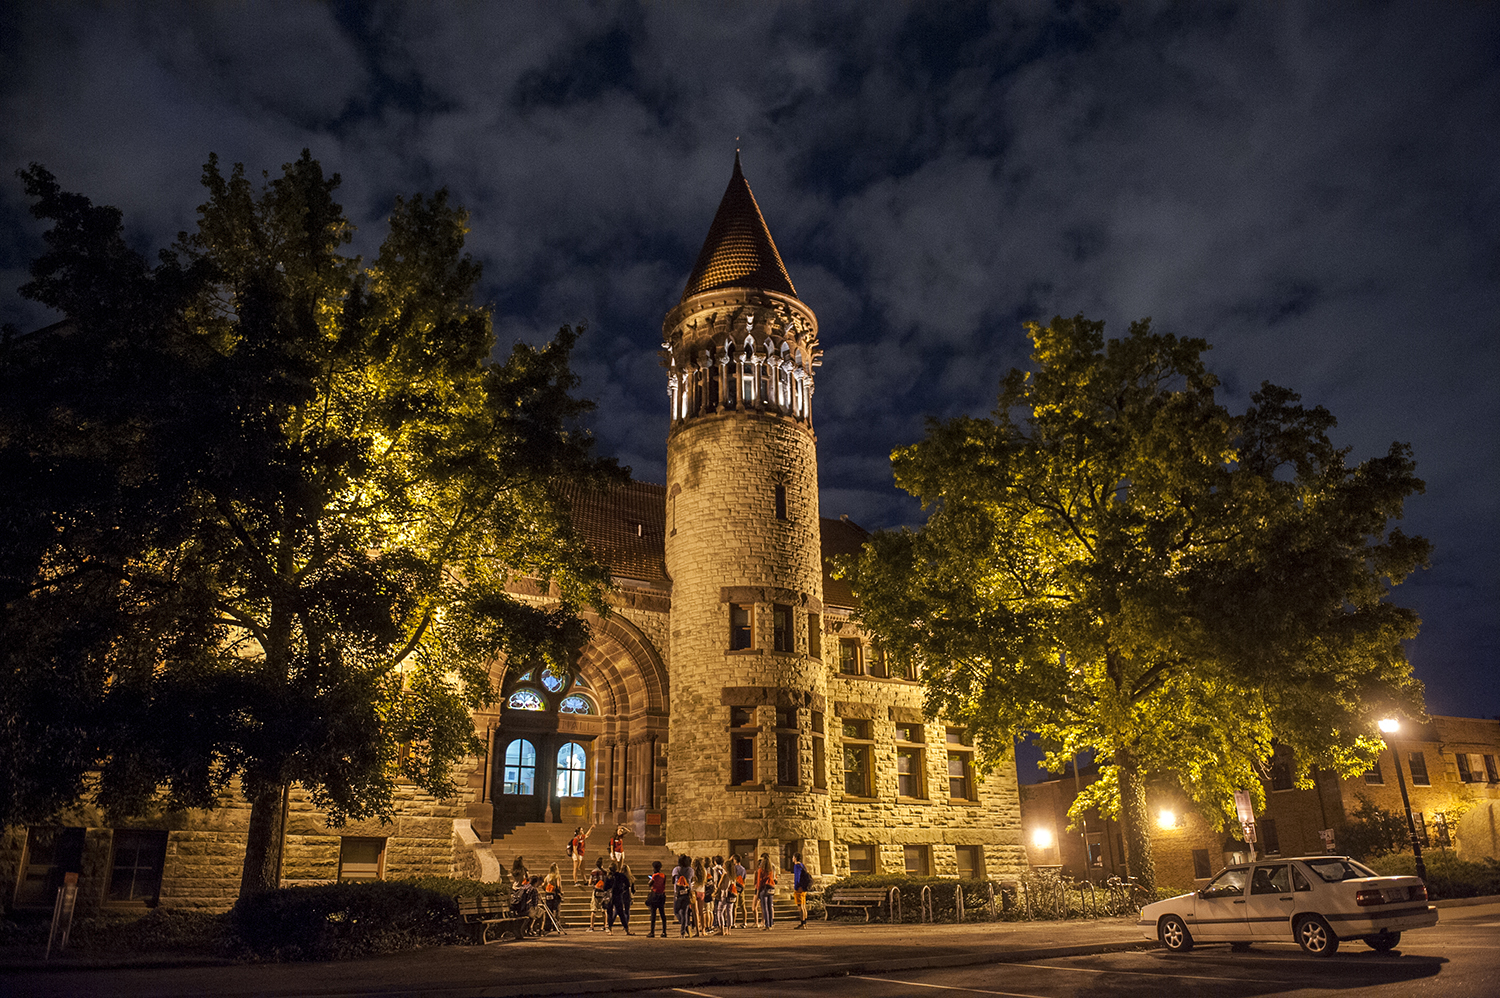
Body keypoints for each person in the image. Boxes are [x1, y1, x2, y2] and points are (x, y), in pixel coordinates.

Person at [607, 861, 634, 934]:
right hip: (618, 895)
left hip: (610, 896)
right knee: (621, 913)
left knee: (610, 913)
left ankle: (610, 929)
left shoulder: (608, 876)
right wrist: (622, 889)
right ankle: (626, 929)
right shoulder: (620, 876)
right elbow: (627, 884)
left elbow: (605, 887)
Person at [672, 854, 694, 937]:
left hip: (677, 892)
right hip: (687, 892)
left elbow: (673, 880)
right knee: (684, 912)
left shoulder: (676, 869)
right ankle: (684, 930)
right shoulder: (690, 870)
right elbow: (691, 879)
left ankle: (684, 926)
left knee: (676, 911)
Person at [646, 860, 669, 937]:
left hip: (655, 895)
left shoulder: (654, 876)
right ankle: (664, 931)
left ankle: (652, 932)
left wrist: (651, 877)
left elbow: (650, 884)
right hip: (662, 895)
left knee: (653, 914)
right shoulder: (664, 875)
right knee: (662, 913)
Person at [715, 858, 737, 935]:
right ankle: (728, 930)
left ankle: (722, 929)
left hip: (724, 894)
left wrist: (721, 876)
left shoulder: (725, 874)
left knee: (720, 911)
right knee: (729, 912)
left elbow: (720, 885)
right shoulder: (733, 875)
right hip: (732, 894)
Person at [754, 853, 776, 929]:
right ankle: (771, 923)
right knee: (770, 906)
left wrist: (757, 892)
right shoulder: (771, 869)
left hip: (764, 888)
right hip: (771, 887)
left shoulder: (761, 870)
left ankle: (767, 924)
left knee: (764, 907)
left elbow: (759, 881)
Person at [588, 856, 609, 932]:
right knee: (604, 909)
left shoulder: (593, 872)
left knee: (593, 909)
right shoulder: (605, 872)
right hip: (603, 892)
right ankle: (606, 925)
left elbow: (589, 882)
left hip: (596, 891)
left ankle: (592, 926)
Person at [542, 863, 564, 931]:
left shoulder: (548, 876)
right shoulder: (557, 876)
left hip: (548, 894)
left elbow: (543, 884)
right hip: (555, 895)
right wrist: (561, 892)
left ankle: (547, 925)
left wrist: (545, 889)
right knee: (556, 910)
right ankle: (556, 925)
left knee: (549, 910)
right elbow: (558, 885)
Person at [791, 852, 810, 928]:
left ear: (795, 858)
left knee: (800, 907)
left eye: (793, 857)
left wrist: (796, 887)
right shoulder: (802, 865)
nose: (792, 859)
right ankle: (805, 922)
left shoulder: (796, 866)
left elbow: (797, 878)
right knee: (804, 906)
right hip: (804, 888)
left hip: (799, 889)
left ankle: (802, 923)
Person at [730, 853, 748, 928]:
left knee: (734, 906)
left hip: (734, 888)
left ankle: (733, 922)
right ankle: (744, 922)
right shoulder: (743, 869)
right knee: (743, 906)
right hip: (741, 888)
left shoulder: (734, 868)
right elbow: (744, 879)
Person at [691, 857, 707, 937]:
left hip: (693, 891)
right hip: (701, 891)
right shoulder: (704, 871)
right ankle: (703, 930)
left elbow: (690, 880)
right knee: (702, 911)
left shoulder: (692, 871)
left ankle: (697, 931)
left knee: (695, 912)